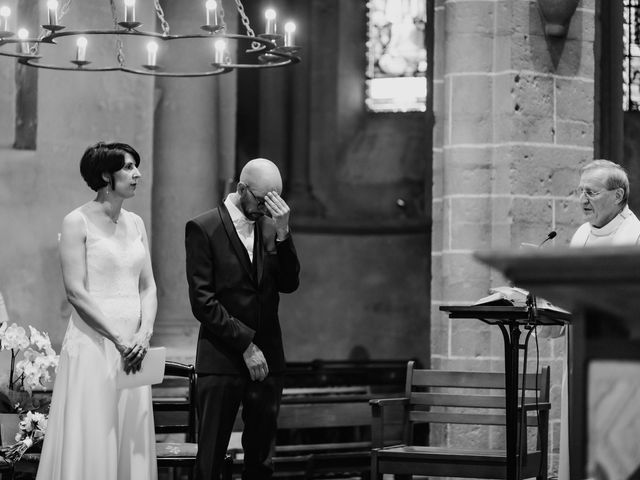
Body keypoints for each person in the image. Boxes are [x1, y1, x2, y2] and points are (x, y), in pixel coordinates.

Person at [37, 142, 158, 480]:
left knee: (128, 434)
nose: (137, 174)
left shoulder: (136, 223)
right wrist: (118, 338)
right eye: (129, 167)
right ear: (107, 174)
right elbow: (76, 291)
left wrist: (143, 333)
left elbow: (148, 286)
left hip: (133, 347)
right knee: (94, 430)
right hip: (94, 342)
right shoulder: (76, 221)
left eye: (137, 166)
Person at [185, 158, 300, 480]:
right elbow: (203, 302)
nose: (268, 208)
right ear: (241, 189)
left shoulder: (271, 227)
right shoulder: (203, 227)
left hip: (270, 360)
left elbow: (290, 284)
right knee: (210, 459)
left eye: (275, 201)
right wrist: (246, 346)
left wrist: (283, 233)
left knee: (261, 460)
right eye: (263, 200)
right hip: (222, 358)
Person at [558, 159, 640, 480]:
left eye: (591, 192)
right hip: (579, 349)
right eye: (580, 192)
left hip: (621, 356)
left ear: (618, 196)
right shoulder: (581, 235)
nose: (583, 200)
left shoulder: (635, 236)